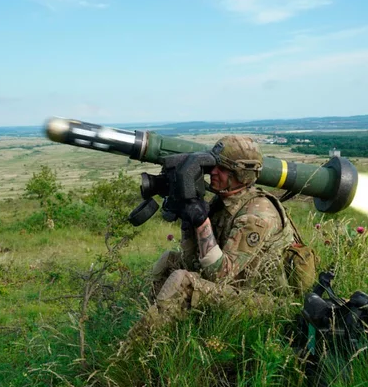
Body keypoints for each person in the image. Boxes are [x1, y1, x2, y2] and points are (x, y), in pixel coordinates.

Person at [132, 135, 309, 335]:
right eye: (213, 165)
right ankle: (161, 330)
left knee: (184, 280)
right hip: (237, 287)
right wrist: (187, 217)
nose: (213, 172)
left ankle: (133, 352)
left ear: (241, 174)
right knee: (169, 261)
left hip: (266, 303)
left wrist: (201, 222)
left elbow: (220, 276)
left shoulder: (258, 214)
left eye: (222, 169)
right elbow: (193, 261)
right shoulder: (223, 202)